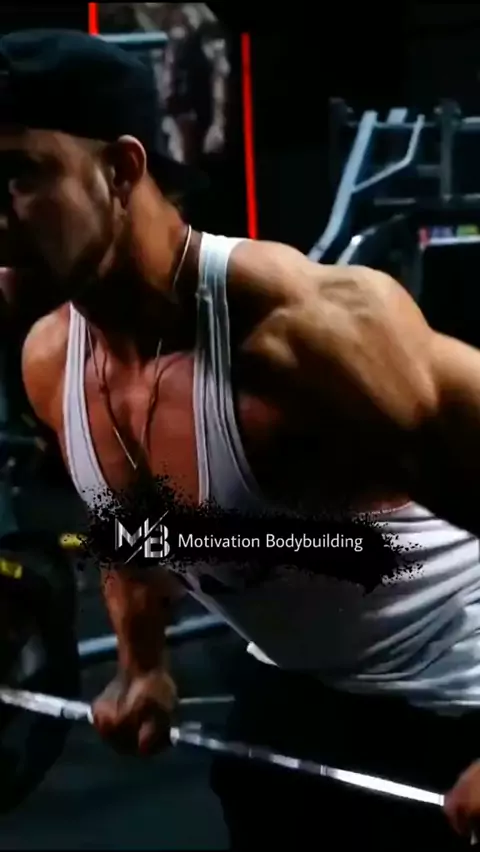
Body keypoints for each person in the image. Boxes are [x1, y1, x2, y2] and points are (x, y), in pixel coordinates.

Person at [0, 28, 479, 848]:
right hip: (291, 686)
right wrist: (143, 666)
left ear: (121, 171)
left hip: (456, 701)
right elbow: (130, 533)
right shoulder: (52, 361)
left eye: (17, 174)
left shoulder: (303, 334)